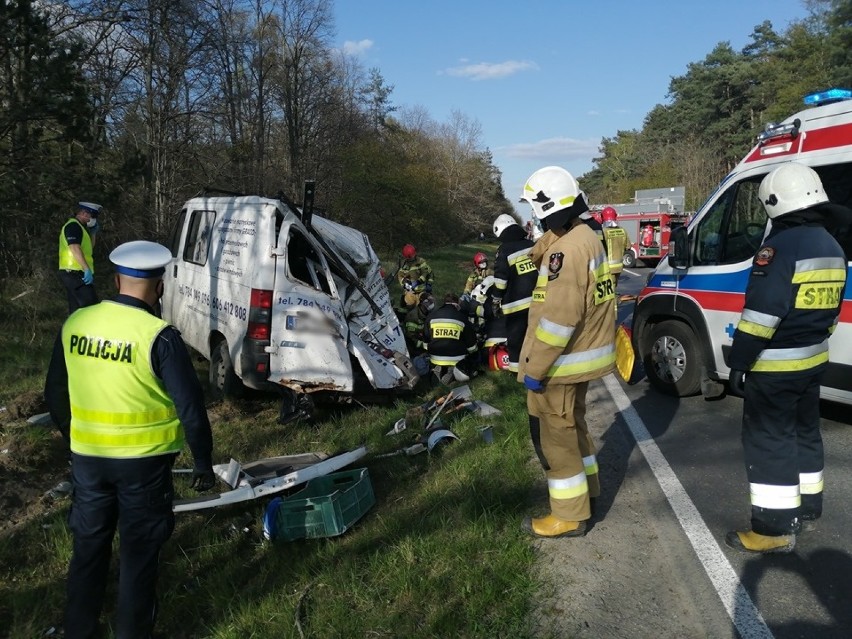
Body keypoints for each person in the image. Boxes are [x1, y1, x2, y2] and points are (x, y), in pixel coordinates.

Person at [44, 240, 216, 638]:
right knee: (138, 557)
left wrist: (76, 438)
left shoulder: (77, 323)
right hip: (145, 467)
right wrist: (203, 463)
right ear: (160, 287)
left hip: (88, 461)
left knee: (88, 549)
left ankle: (78, 630)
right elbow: (191, 409)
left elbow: (54, 394)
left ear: (117, 279)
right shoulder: (160, 336)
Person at [725, 163, 847, 554]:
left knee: (769, 442)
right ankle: (808, 507)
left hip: (775, 366)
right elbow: (829, 312)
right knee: (805, 433)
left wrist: (740, 362)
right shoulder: (832, 244)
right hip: (814, 360)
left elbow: (763, 314)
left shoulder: (780, 248)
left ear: (773, 203)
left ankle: (773, 529)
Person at [518, 166, 616, 539]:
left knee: (556, 439)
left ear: (549, 207)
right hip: (579, 358)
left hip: (558, 364)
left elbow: (559, 320)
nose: (533, 216)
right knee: (574, 427)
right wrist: (546, 240)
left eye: (535, 208)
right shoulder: (582, 235)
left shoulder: (568, 251)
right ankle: (588, 495)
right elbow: (536, 256)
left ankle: (569, 516)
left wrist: (536, 368)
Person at [490, 213, 537, 373]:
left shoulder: (503, 250)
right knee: (536, 338)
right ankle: (536, 369)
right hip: (538, 301)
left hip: (515, 305)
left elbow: (500, 281)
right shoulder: (531, 244)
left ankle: (517, 373)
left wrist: (495, 300)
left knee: (516, 340)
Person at [424, 292, 479, 385]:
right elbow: (471, 345)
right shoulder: (462, 318)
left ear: (444, 303)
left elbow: (426, 341)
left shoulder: (431, 317)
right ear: (457, 304)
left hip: (435, 356)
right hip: (456, 358)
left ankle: (438, 371)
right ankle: (450, 374)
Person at [58, 201, 102, 314]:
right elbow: (74, 247)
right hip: (74, 272)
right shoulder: (73, 226)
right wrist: (86, 268)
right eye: (93, 216)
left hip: (77, 273)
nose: (93, 219)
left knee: (76, 310)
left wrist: (93, 234)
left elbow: (89, 249)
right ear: (84, 213)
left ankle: (71, 331)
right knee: (90, 307)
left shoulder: (81, 229)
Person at [397, 243, 434, 311]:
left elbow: (426, 272)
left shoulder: (421, 262)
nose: (411, 259)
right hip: (411, 292)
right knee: (409, 308)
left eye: (412, 257)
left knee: (428, 307)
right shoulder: (403, 265)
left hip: (423, 290)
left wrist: (427, 283)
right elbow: (400, 276)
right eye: (409, 258)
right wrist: (405, 284)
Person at [601, 207, 629, 286]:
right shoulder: (623, 230)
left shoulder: (603, 231)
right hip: (619, 267)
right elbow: (628, 246)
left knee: (610, 290)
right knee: (614, 286)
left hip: (608, 267)